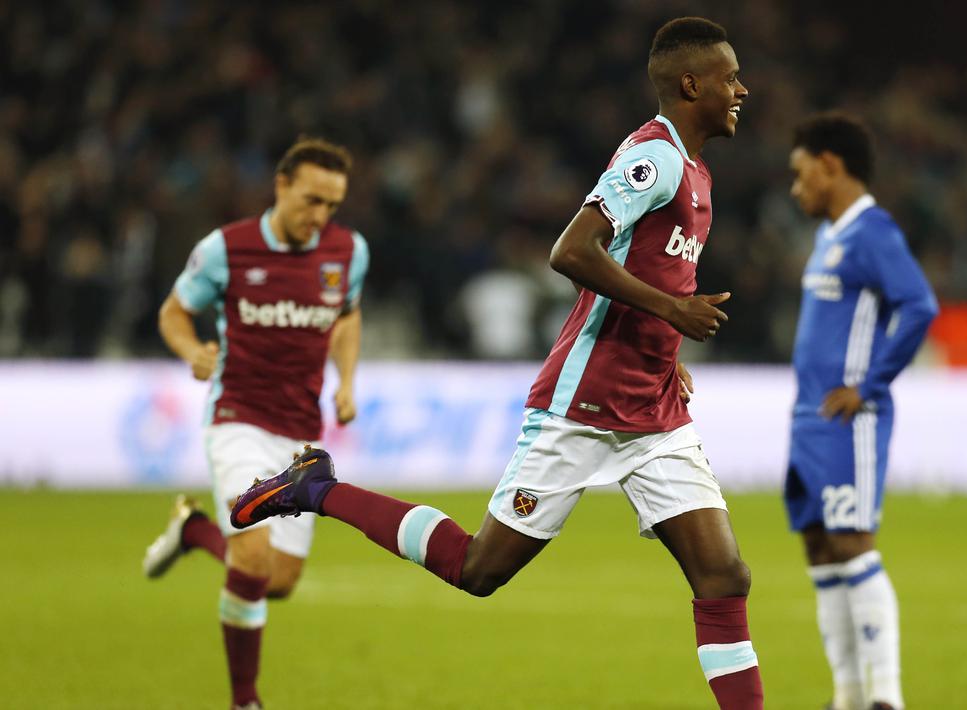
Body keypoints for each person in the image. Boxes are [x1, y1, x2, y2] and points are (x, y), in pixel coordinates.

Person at [229, 17, 762, 710]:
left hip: (654, 412)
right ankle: (316, 489)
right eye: (728, 78)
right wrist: (668, 314)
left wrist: (664, 347)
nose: (740, 90)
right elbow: (570, 251)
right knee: (478, 569)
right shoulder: (652, 158)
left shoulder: (696, 172)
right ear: (691, 84)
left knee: (723, 575)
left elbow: (651, 270)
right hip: (585, 407)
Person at [141, 137, 368, 710]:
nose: (321, 217)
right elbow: (174, 312)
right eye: (312, 200)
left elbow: (346, 318)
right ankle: (245, 701)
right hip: (238, 418)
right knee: (252, 557)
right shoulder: (226, 249)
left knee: (280, 581)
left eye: (332, 206)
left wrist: (346, 382)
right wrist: (191, 350)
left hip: (301, 434)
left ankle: (192, 531)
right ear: (282, 185)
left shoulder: (348, 251)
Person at [784, 113, 938, 710]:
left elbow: (919, 305)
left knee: (853, 545)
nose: (796, 189)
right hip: (808, 421)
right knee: (821, 551)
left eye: (800, 175)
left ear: (830, 165)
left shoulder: (873, 231)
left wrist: (869, 385)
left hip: (849, 420)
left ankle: (886, 699)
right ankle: (847, 697)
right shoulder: (830, 234)